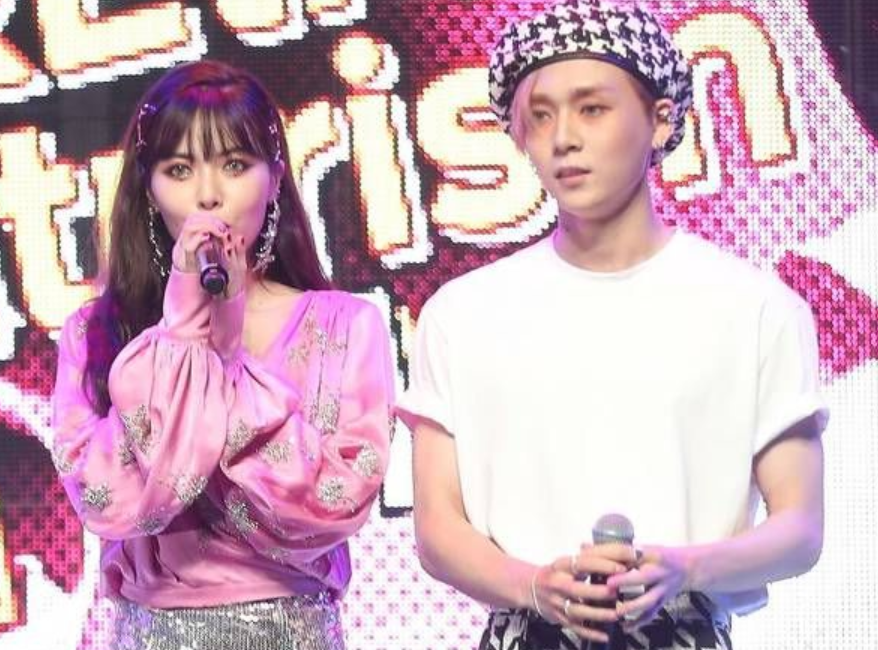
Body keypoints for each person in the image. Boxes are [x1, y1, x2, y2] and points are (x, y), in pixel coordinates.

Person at [397, 1, 827, 649]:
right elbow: (437, 529)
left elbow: (800, 529)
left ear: (661, 121)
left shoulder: (755, 308)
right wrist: (533, 584)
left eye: (592, 109)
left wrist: (685, 567)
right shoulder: (462, 314)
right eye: (541, 117)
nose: (563, 138)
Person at [51, 60, 394, 650]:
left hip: (294, 632)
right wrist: (184, 333)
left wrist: (229, 363)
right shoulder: (95, 333)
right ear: (149, 189)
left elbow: (334, 501)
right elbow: (107, 497)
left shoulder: (346, 325)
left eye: (234, 165)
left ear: (275, 176)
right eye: (179, 170)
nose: (208, 194)